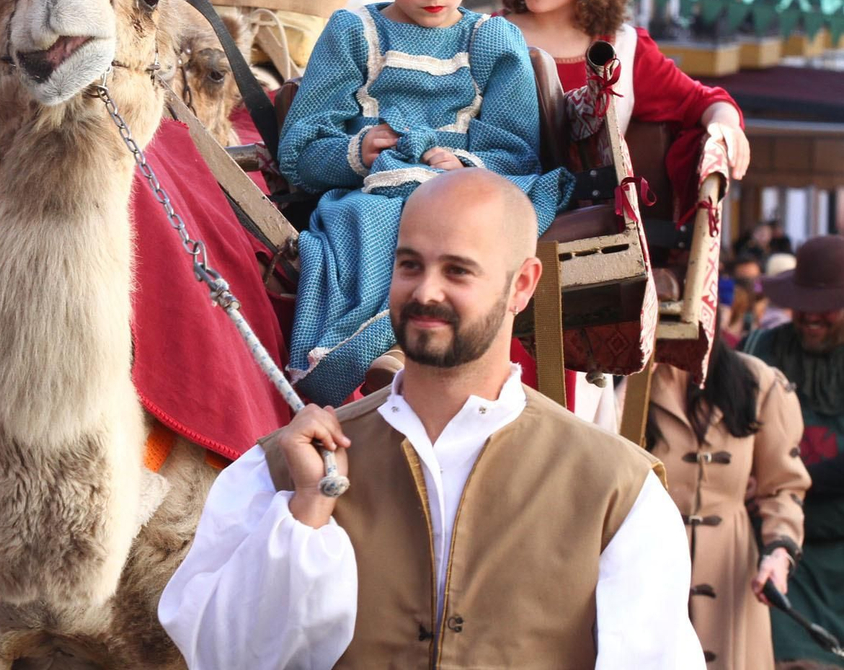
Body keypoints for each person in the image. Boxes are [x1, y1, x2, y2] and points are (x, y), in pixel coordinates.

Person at [159, 169, 702, 667]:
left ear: (522, 285)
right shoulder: (279, 470)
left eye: (457, 270)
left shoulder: (617, 490)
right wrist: (306, 511)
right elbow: (224, 660)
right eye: (410, 265)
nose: (425, 292)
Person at [278, 0, 574, 406]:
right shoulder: (353, 34)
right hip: (374, 195)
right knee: (365, 226)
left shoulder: (490, 41)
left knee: (447, 237)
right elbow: (300, 150)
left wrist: (465, 162)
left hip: (464, 197)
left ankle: (394, 346)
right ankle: (367, 348)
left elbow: (517, 151)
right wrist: (358, 150)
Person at [496, 0, 750, 409]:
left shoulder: (626, 49)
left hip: (584, 265)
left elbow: (705, 100)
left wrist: (726, 125)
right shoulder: (483, 34)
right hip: (497, 241)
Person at [647, 336, 810, 668]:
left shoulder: (757, 382)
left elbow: (783, 487)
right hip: (647, 570)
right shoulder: (624, 381)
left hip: (731, 570)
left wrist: (779, 554)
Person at [745, 234, 844, 668]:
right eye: (802, 304)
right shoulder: (759, 350)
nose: (809, 317)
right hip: (773, 546)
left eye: (825, 307)